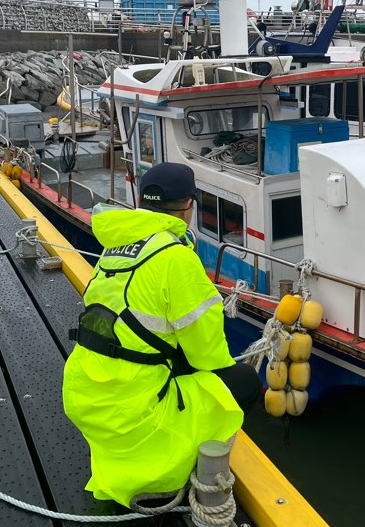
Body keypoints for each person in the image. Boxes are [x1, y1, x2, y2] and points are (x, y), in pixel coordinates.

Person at [62, 162, 260, 508]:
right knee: (242, 382)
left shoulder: (115, 248)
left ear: (142, 200)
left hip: (86, 392)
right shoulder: (175, 258)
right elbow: (208, 356)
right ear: (188, 206)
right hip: (129, 409)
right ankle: (170, 468)